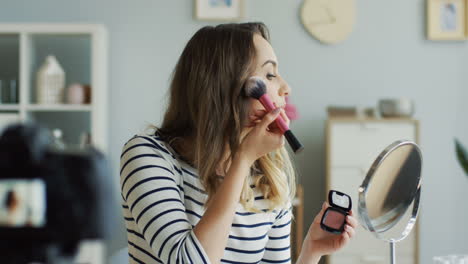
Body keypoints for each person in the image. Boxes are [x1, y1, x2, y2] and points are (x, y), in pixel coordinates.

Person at [120, 22, 357, 264]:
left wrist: (311, 251)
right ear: (226, 87)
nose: (286, 88)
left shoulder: (270, 180)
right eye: (270, 75)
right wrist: (242, 160)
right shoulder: (147, 156)